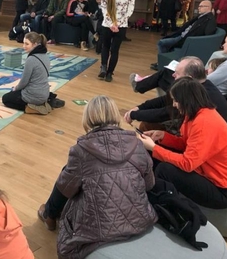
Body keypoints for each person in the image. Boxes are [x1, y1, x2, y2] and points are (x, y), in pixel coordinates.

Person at [38, 95, 156, 257]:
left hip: (98, 230)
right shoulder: (137, 144)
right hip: (139, 220)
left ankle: (50, 215)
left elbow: (66, 189)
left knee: (69, 177)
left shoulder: (80, 151)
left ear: (88, 118)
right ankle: (49, 213)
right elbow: (149, 185)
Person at [139, 78, 227, 209]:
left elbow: (187, 164)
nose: (174, 104)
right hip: (206, 172)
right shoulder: (194, 114)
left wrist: (154, 148)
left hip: (223, 190)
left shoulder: (204, 123)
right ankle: (147, 192)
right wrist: (163, 136)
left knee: (164, 169)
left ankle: (156, 206)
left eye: (176, 100)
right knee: (156, 154)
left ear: (187, 100)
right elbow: (186, 144)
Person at [126, 56, 227, 133]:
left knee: (148, 126)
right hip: (201, 133)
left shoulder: (196, 97)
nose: (173, 75)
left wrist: (134, 115)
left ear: (188, 78)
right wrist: (139, 108)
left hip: (206, 142)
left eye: (177, 73)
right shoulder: (201, 85)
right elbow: (165, 100)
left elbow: (164, 113)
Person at [98, 0, 135, 82]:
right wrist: (117, 24)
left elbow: (104, 9)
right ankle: (109, 74)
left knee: (105, 46)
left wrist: (111, 23)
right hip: (121, 26)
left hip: (107, 25)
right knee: (115, 50)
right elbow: (129, 12)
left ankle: (103, 67)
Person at [2, 32, 51, 115]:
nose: (23, 46)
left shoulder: (31, 59)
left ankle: (32, 108)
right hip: (45, 93)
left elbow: (24, 81)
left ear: (35, 44)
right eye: (23, 43)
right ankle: (46, 101)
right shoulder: (45, 55)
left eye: (27, 44)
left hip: (34, 95)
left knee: (6, 99)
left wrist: (15, 89)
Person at [152, 0, 216, 64]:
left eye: (201, 6)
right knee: (164, 42)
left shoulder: (209, 19)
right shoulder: (201, 16)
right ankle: (163, 62)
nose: (198, 8)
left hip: (187, 39)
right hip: (183, 36)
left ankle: (162, 62)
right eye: (199, 6)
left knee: (161, 43)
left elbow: (209, 33)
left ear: (208, 7)